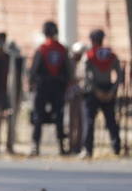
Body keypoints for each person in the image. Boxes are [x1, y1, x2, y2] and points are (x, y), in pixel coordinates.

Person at [29, 21, 71, 156]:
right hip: (58, 87)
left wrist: (33, 84)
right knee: (59, 116)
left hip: (42, 88)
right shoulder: (62, 49)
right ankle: (61, 146)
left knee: (38, 117)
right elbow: (67, 71)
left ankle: (35, 146)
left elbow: (34, 71)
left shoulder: (41, 49)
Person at [81, 29, 123, 158]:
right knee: (111, 121)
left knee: (89, 121)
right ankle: (116, 148)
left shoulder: (89, 55)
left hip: (93, 92)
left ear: (92, 40)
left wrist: (96, 91)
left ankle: (88, 150)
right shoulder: (111, 56)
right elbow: (120, 75)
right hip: (108, 89)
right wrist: (112, 91)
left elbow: (86, 77)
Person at [66, 42, 87, 154]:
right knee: (71, 121)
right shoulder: (70, 63)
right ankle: (71, 144)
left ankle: (79, 145)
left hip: (82, 94)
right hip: (72, 94)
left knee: (80, 121)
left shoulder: (85, 63)